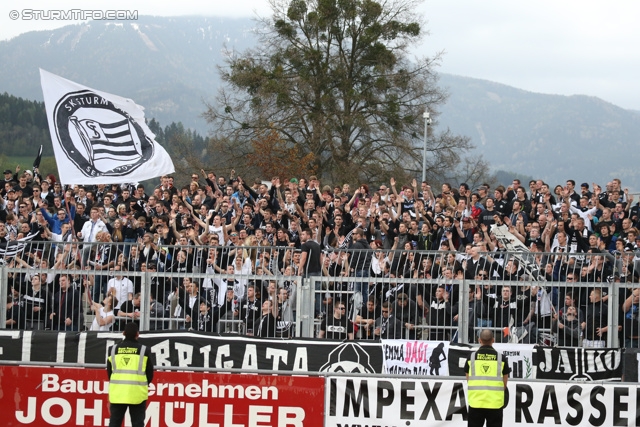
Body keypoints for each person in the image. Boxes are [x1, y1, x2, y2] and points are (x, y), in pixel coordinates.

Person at [107, 322, 154, 427]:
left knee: (114, 423)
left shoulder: (113, 349)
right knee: (137, 424)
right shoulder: (143, 350)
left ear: (123, 333)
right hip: (137, 394)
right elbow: (150, 373)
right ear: (137, 334)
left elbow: (110, 372)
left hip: (117, 394)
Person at [465, 329, 511, 427]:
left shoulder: (471, 357)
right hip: (495, 404)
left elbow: (468, 379)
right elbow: (505, 382)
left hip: (476, 402)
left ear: (479, 340)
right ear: (493, 340)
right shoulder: (501, 358)